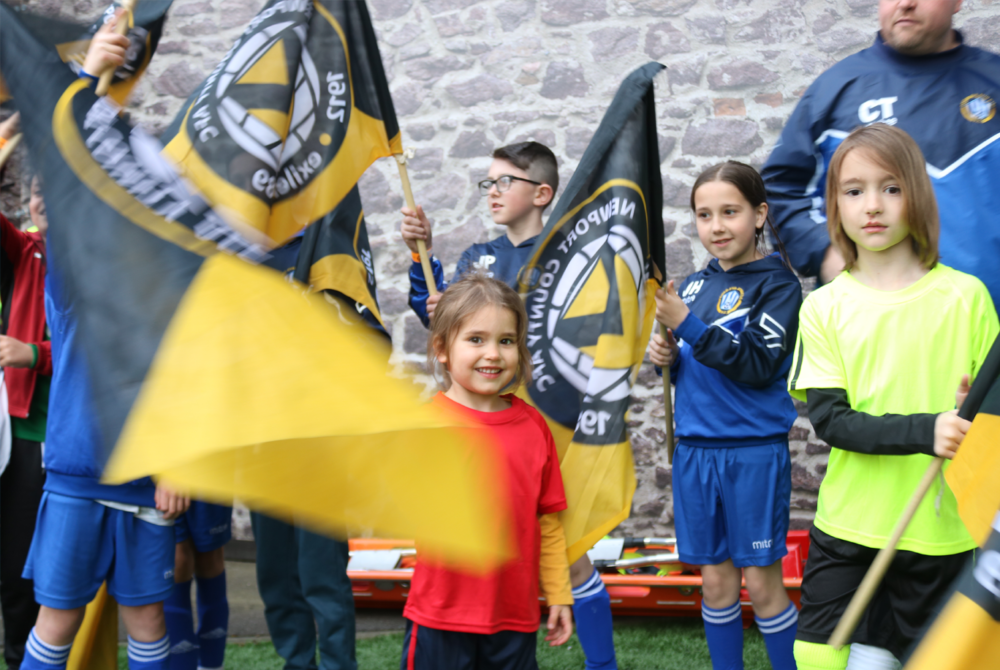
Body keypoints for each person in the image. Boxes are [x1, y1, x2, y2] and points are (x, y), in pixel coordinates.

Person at [787, 124, 998, 670]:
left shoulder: (967, 298)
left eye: (891, 187)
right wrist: (928, 429)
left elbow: (992, 420)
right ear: (835, 204)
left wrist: (974, 424)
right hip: (848, 527)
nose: (872, 206)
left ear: (917, 197)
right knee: (815, 656)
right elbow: (833, 421)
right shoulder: (824, 307)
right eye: (854, 190)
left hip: (940, 534)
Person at [402, 142, 619, 670]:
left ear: (541, 194)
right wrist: (421, 260)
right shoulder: (479, 256)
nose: (492, 192)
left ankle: (601, 661)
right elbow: (450, 322)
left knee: (568, 541)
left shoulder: (570, 256)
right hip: (474, 424)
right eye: (489, 182)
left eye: (505, 182)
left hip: (543, 421)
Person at [18, 19, 191, 670]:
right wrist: (92, 78)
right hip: (76, 479)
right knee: (57, 618)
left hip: (152, 481)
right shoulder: (70, 282)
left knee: (147, 616)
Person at [648, 162, 802, 670]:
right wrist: (666, 360)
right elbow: (692, 371)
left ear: (759, 215)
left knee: (760, 582)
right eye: (704, 214)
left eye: (730, 212)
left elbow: (757, 365)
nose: (716, 226)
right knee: (714, 583)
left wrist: (687, 327)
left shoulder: (779, 285)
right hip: (695, 454)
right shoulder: (690, 287)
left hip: (751, 455)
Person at [762, 0, 1000, 309]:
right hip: (869, 329)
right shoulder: (835, 90)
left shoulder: (994, 81)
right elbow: (781, 187)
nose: (906, 3)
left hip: (991, 325)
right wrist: (824, 252)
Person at [401, 273, 573, 670]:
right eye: (476, 339)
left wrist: (559, 594)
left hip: (515, 617)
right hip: (440, 615)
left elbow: (548, 522)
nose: (493, 353)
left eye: (506, 341)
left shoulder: (533, 427)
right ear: (442, 348)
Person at [1, 114, 51, 670]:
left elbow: (100, 355)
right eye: (37, 194)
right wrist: (9, 135)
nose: (43, 203)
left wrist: (32, 353)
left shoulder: (95, 263)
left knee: (25, 571)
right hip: (7, 430)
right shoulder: (24, 251)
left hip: (48, 437)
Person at [164, 502, 231, 670]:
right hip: (158, 479)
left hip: (206, 480)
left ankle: (213, 665)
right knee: (175, 561)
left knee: (210, 556)